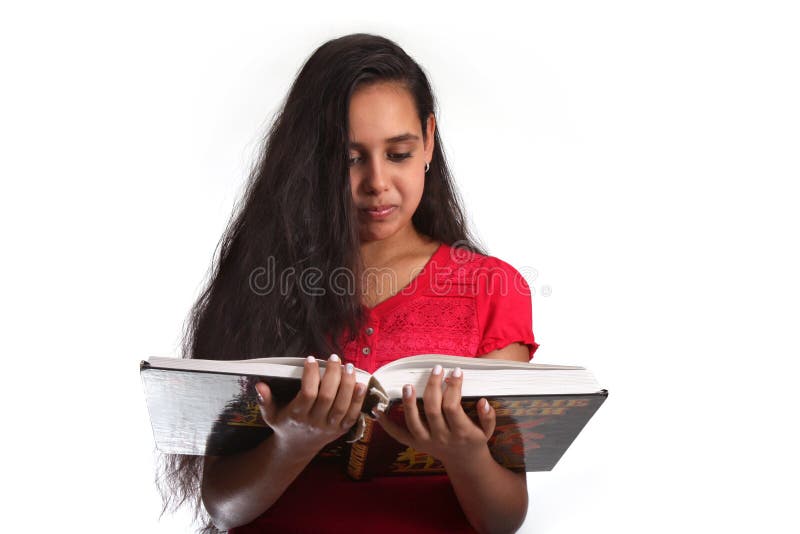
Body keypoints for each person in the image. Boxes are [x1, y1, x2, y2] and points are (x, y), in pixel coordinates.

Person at [157, 33, 539, 534]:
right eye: (349, 158)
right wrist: (291, 443)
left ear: (428, 140)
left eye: (398, 154)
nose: (377, 182)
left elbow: (502, 520)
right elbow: (224, 506)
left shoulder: (493, 289)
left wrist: (465, 453)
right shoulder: (263, 281)